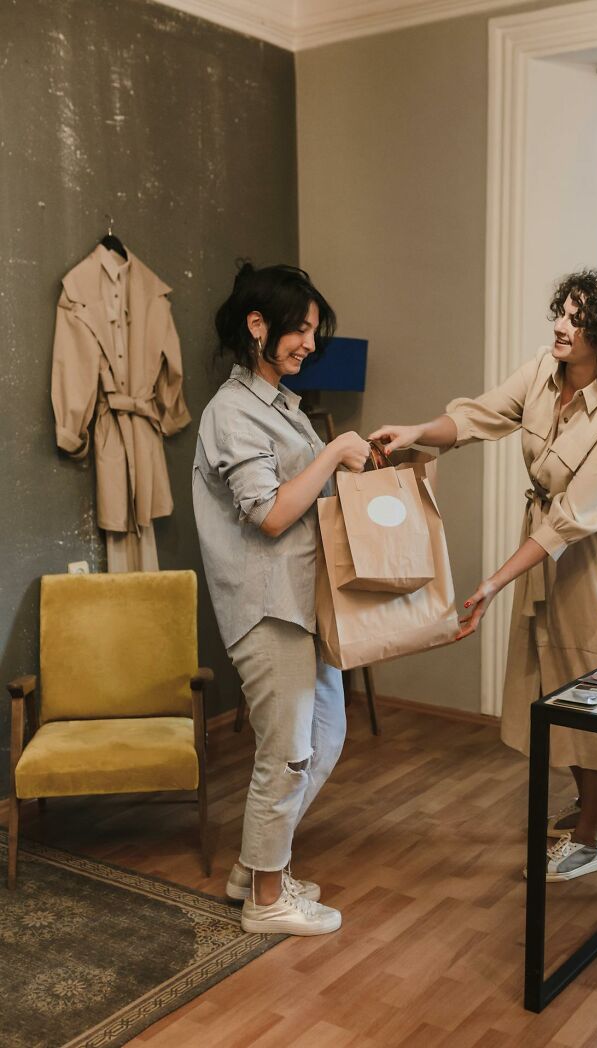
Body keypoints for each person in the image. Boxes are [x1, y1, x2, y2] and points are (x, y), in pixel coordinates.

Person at [370, 270, 597, 882]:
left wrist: (494, 583)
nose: (560, 325)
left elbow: (571, 522)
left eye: (577, 319)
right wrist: (420, 432)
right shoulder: (540, 372)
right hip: (543, 546)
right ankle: (595, 805)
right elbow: (478, 417)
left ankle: (592, 834)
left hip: (590, 557)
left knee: (593, 684)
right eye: (562, 312)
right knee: (556, 677)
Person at [193, 262, 369, 933]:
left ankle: (253, 867)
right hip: (266, 608)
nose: (308, 343)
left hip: (302, 601)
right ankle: (266, 901)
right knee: (289, 751)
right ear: (256, 325)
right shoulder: (232, 414)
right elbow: (268, 514)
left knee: (323, 738)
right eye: (299, 329)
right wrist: (331, 456)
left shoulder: (279, 407)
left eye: (313, 331)